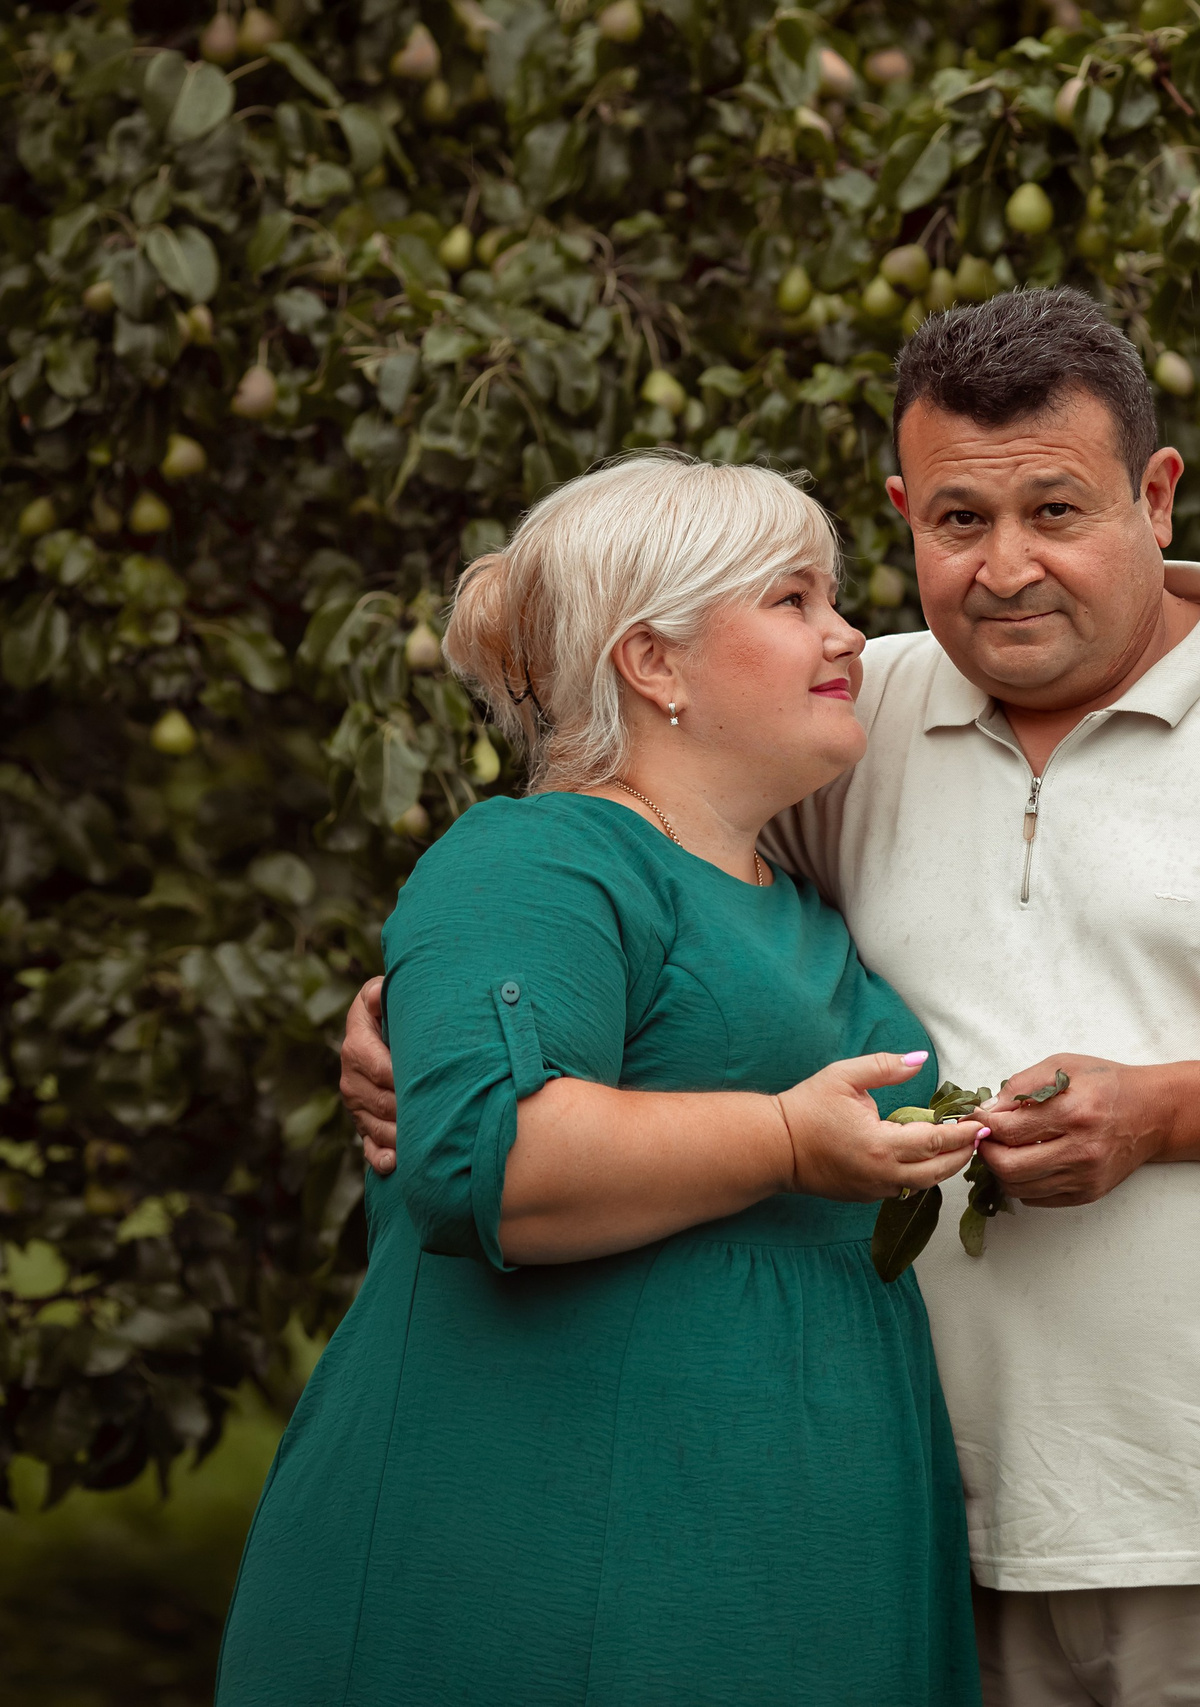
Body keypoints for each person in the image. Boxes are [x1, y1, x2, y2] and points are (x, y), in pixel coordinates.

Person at [341, 288, 1200, 1705]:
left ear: (1156, 497)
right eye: (959, 523)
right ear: (907, 508)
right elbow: (643, 879)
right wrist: (409, 1025)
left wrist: (1162, 1112)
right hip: (929, 1516)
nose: (1007, 567)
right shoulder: (850, 722)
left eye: (1059, 509)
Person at [223, 454, 983, 1704]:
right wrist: (786, 1142)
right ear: (655, 663)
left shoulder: (801, 905)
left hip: (790, 1576)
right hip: (563, 1560)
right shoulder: (541, 860)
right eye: (792, 600)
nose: (848, 630)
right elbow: (491, 1165)